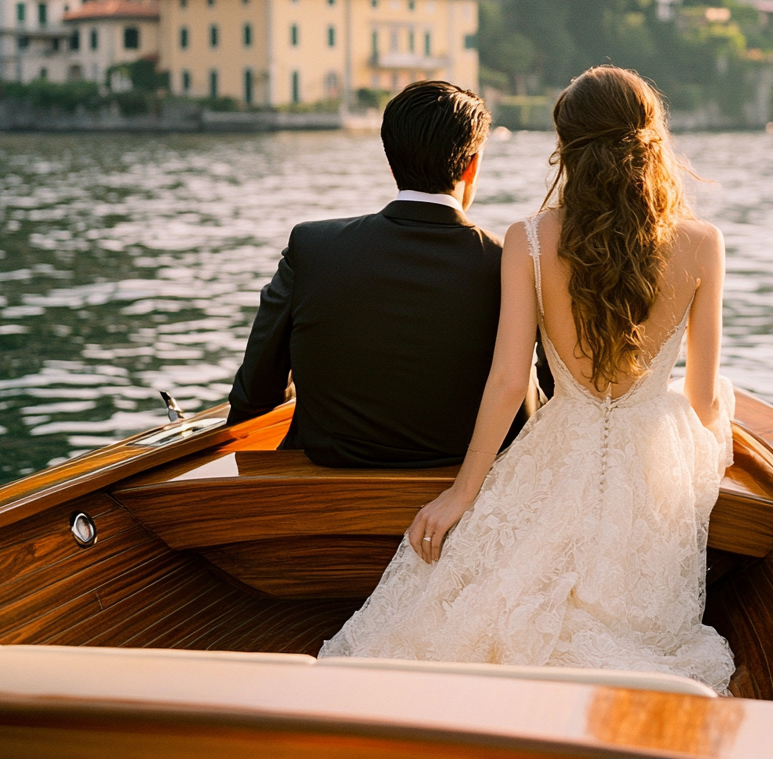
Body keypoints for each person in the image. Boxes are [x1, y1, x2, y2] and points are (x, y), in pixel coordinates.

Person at [320, 66, 735, 693]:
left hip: (557, 443)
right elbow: (702, 399)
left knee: (485, 605)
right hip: (654, 457)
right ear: (653, 141)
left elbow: (510, 378)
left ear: (565, 148)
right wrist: (720, 427)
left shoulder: (530, 240)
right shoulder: (703, 243)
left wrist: (461, 494)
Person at [226, 80, 527, 467]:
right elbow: (522, 412)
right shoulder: (507, 264)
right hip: (455, 497)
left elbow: (256, 391)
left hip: (322, 490)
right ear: (472, 165)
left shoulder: (312, 247)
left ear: (391, 163)